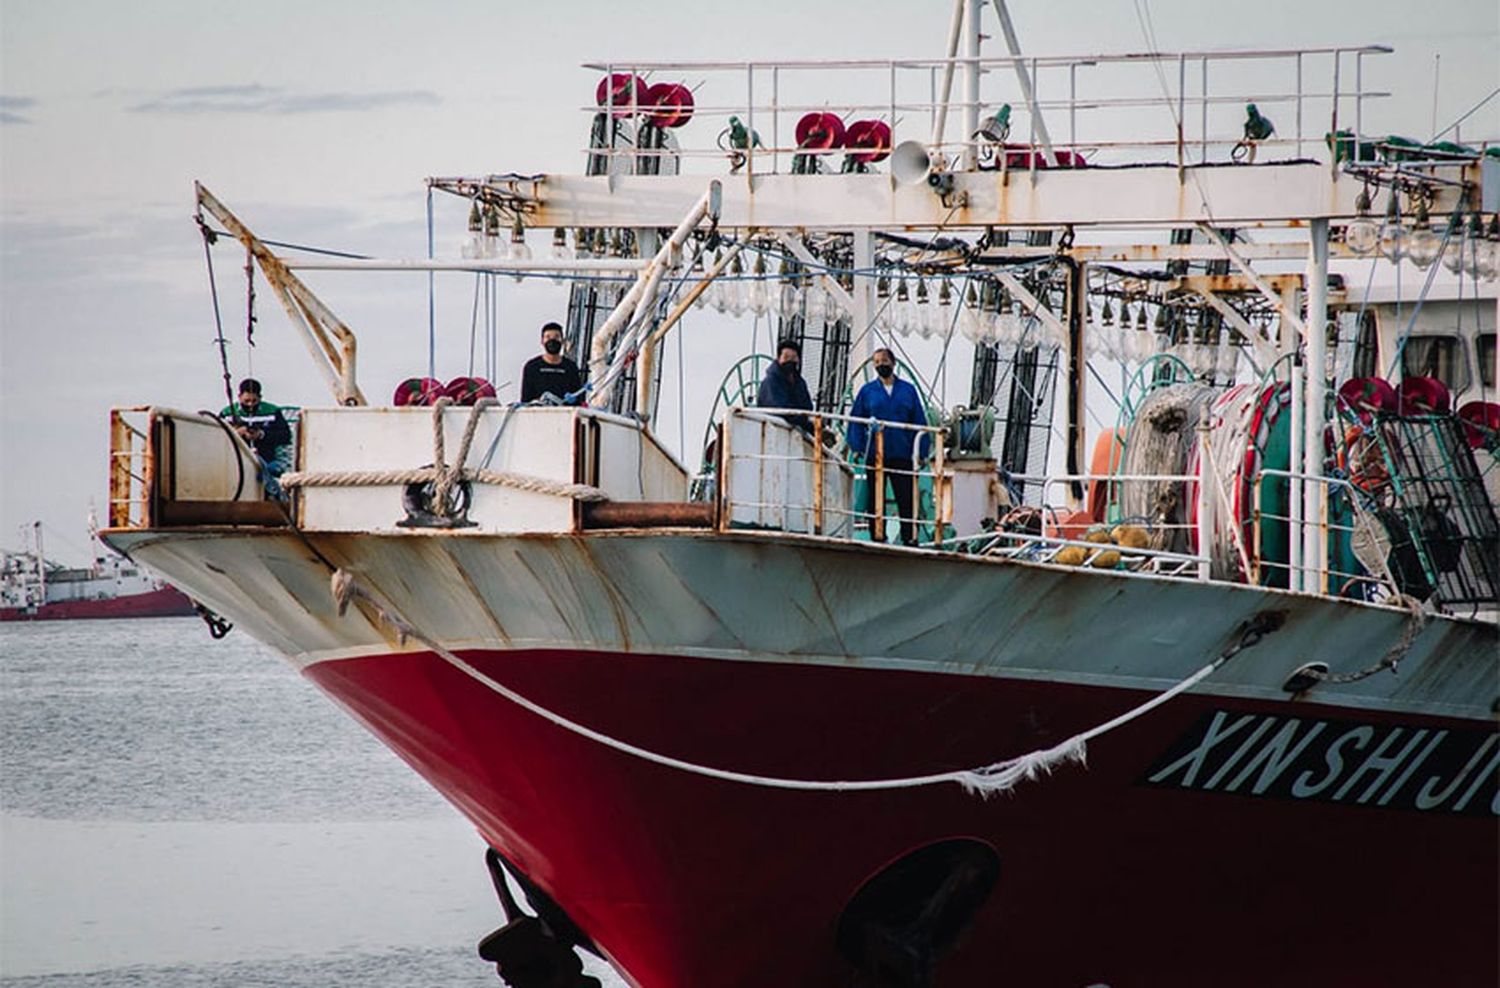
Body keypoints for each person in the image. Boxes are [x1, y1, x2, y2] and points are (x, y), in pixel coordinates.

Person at [846, 349, 932, 546]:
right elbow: (856, 419)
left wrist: (922, 450)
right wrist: (858, 446)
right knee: (875, 497)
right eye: (876, 362)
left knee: (906, 496)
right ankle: (878, 535)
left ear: (893, 364)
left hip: (902, 453)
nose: (880, 365)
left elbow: (918, 420)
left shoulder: (908, 391)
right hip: (875, 453)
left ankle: (909, 536)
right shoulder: (867, 392)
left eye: (884, 360)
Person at [219, 378, 292, 497]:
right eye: (246, 401)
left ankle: (274, 494)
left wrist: (261, 435)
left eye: (254, 401)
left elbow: (285, 436)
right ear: (239, 396)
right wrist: (236, 434)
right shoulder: (227, 413)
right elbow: (219, 437)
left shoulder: (273, 412)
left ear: (260, 397)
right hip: (237, 461)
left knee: (260, 467)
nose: (250, 404)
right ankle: (276, 494)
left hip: (268, 460)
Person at [755, 339, 814, 433]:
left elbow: (808, 407)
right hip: (773, 430)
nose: (790, 361)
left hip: (795, 431)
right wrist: (802, 420)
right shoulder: (771, 382)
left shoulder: (800, 383)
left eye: (794, 357)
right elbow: (778, 408)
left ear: (798, 359)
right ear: (779, 359)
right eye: (786, 357)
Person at [520, 322, 583, 403]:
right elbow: (525, 400)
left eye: (556, 337)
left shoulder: (571, 367)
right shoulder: (532, 367)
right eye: (548, 337)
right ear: (542, 341)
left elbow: (578, 398)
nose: (552, 340)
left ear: (562, 341)